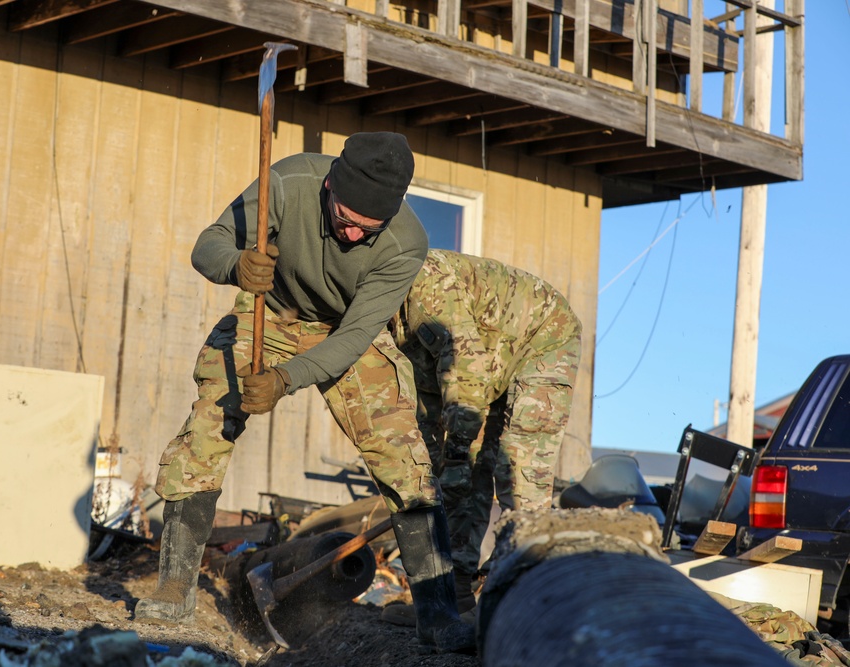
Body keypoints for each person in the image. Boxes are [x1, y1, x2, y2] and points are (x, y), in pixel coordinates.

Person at [135, 132, 472, 651]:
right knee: (207, 429)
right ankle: (175, 586)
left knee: (405, 460)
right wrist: (236, 266)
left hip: (340, 333)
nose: (355, 234)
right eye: (346, 218)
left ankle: (439, 617)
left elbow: (356, 337)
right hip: (267, 314)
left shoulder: (406, 244)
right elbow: (209, 244)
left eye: (370, 227)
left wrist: (287, 379)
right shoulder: (289, 182)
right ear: (331, 184)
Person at [385, 248, 582, 615]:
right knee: (461, 475)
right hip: (487, 364)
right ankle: (455, 597)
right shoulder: (381, 323)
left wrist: (456, 452)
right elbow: (425, 408)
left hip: (542, 336)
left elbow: (465, 366)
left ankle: (525, 602)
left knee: (518, 467)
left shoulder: (425, 282)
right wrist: (432, 472)